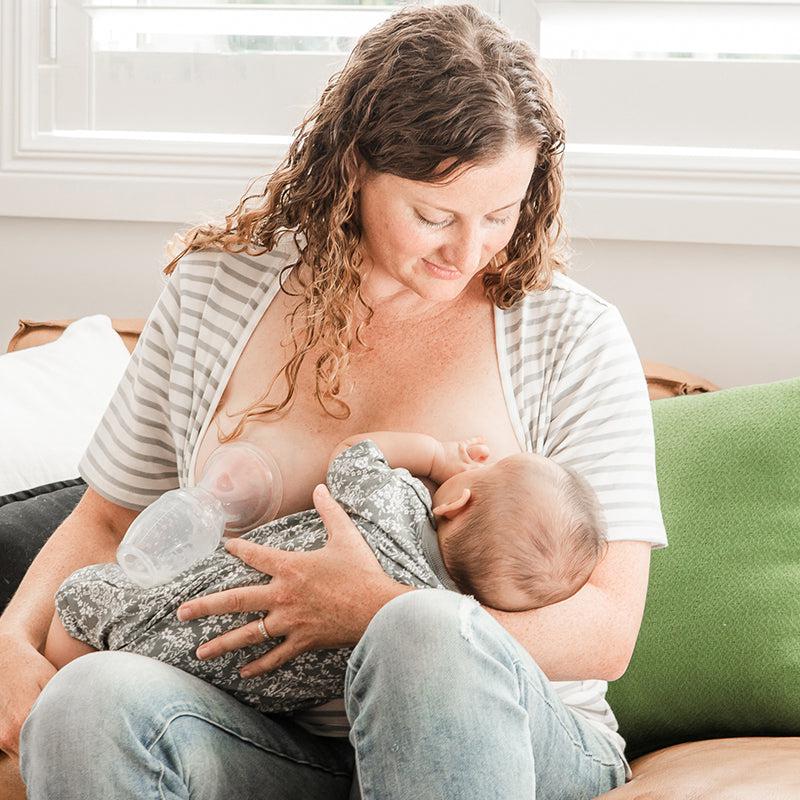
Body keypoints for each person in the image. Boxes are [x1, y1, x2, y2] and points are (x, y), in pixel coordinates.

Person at [1, 3, 668, 798]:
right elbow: (110, 520)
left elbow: (608, 629)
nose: (470, 250)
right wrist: (10, 639)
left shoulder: (569, 335)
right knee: (87, 698)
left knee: (422, 631)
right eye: (433, 215)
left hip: (505, 731)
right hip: (265, 732)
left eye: (501, 213)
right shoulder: (222, 289)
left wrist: (378, 607)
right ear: (353, 169)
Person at [43, 431, 608, 716]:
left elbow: (353, 453)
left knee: (84, 598)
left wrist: (436, 455)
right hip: (239, 697)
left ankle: (57, 685)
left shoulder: (394, 503)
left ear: (456, 501)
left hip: (173, 607)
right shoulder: (437, 614)